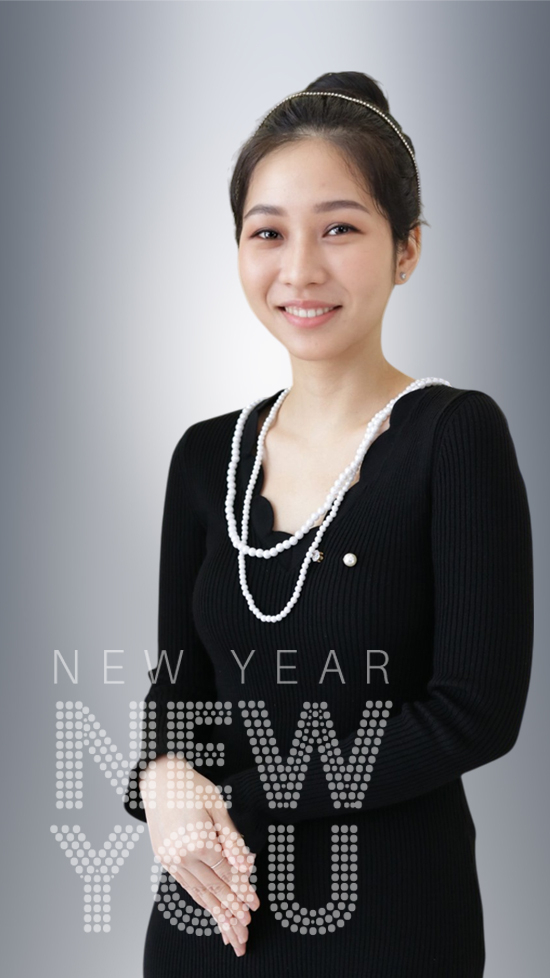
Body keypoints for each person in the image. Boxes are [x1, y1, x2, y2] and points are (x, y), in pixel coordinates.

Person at [123, 71, 534, 977]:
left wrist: (223, 788)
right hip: (206, 913)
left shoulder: (454, 436)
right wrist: (158, 779)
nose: (299, 269)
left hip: (388, 919)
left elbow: (476, 712)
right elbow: (177, 684)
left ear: (407, 249)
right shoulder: (205, 457)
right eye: (267, 232)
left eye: (340, 228)